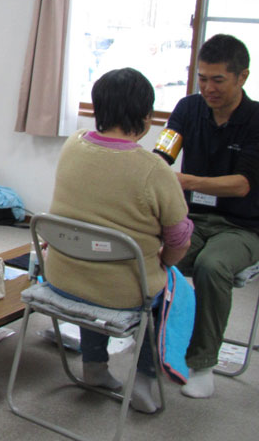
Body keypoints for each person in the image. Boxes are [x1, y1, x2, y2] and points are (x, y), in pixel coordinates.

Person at [45, 67, 192, 414]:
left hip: (61, 278)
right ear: (146, 117)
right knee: (176, 290)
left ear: (98, 109)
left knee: (95, 263)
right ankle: (145, 378)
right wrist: (164, 263)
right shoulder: (154, 169)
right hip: (121, 292)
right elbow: (179, 239)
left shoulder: (72, 145)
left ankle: (94, 366)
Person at [157, 34, 259, 399]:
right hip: (193, 218)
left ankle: (202, 364)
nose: (208, 88)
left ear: (242, 77)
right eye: (202, 78)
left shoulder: (256, 119)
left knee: (211, 267)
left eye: (218, 80)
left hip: (243, 227)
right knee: (151, 253)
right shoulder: (188, 109)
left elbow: (242, 185)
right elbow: (163, 155)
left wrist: (186, 181)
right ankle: (153, 343)